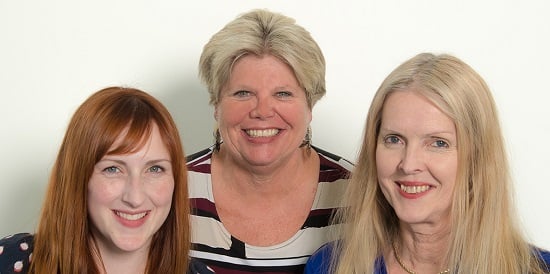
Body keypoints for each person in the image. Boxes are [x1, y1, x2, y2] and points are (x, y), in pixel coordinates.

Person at [304, 52, 550, 274]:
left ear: (478, 157)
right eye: (394, 139)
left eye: (438, 143)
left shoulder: (537, 269)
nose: (409, 164)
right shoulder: (329, 266)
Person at [186, 9, 353, 274]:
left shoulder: (359, 194)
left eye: (283, 94)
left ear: (310, 106)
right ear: (216, 104)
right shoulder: (169, 189)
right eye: (242, 93)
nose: (262, 111)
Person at [0, 87, 213, 274]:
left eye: (155, 169)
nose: (135, 197)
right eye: (113, 169)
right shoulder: (9, 261)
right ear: (77, 177)